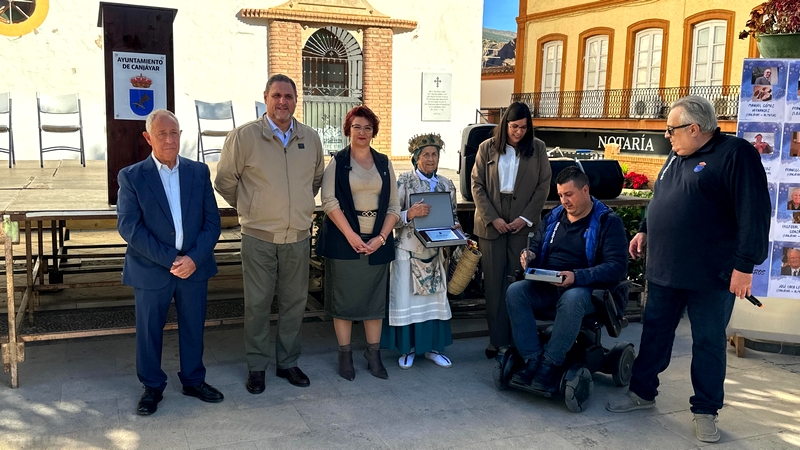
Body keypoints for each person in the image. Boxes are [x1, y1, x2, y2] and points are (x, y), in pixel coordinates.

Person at [607, 96, 770, 444]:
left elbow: (754, 212)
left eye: (671, 129)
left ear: (694, 128)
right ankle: (642, 392)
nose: (667, 135)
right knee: (655, 333)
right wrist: (645, 229)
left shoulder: (736, 155)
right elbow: (662, 196)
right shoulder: (677, 153)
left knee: (708, 342)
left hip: (712, 275)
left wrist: (744, 267)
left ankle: (706, 410)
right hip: (665, 269)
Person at [215, 74, 325, 393]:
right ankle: (257, 366)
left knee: (294, 303)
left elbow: (315, 181)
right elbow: (224, 182)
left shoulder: (310, 138)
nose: (282, 102)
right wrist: (252, 206)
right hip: (259, 238)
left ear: (296, 100)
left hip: (298, 238)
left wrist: (296, 206)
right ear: (265, 98)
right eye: (276, 95)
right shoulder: (244, 137)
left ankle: (288, 362)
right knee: (258, 305)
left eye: (288, 96)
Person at [117, 109, 223, 415]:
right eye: (161, 134)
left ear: (180, 135)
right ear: (148, 138)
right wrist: (170, 259)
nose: (169, 139)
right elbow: (129, 227)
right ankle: (152, 387)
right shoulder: (132, 176)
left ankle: (193, 380)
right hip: (152, 268)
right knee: (149, 330)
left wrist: (193, 259)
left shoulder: (198, 172)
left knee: (193, 327)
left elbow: (212, 223)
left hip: (194, 267)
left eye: (173, 132)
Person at [505, 166, 627, 392]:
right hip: (550, 282)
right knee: (515, 292)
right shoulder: (554, 217)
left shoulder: (608, 222)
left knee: (572, 298)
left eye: (569, 194)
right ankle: (532, 358)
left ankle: (550, 364)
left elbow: (617, 267)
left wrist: (577, 276)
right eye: (561, 195)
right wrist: (529, 254)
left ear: (585, 190)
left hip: (589, 289)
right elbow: (536, 245)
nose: (564, 201)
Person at [316, 105, 400, 380]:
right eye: (356, 127)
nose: (362, 132)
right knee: (344, 302)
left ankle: (373, 354)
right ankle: (345, 354)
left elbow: (394, 206)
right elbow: (329, 201)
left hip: (377, 242)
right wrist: (351, 235)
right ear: (348, 130)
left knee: (374, 302)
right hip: (344, 243)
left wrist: (381, 238)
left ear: (373, 132)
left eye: (367, 127)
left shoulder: (384, 163)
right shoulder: (338, 162)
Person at [471, 102, 551, 359]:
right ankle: (497, 341)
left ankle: (519, 341)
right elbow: (477, 185)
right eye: (515, 127)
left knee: (518, 282)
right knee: (494, 284)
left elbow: (543, 185)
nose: (519, 132)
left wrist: (525, 218)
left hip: (522, 220)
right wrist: (493, 218)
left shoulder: (538, 148)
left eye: (524, 128)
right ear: (505, 124)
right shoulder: (487, 147)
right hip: (491, 219)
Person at [381, 133, 457, 369]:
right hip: (408, 253)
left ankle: (433, 348)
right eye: (425, 154)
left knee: (434, 302)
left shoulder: (446, 184)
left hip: (434, 255)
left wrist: (455, 228)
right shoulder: (404, 182)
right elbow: (390, 217)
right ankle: (408, 348)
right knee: (408, 303)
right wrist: (410, 213)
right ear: (416, 158)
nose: (431, 159)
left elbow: (452, 215)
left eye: (434, 154)